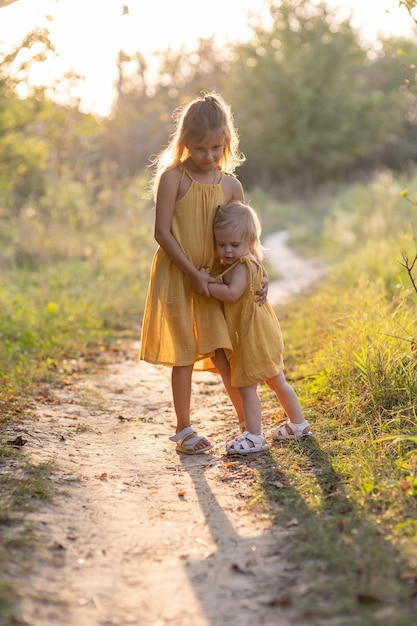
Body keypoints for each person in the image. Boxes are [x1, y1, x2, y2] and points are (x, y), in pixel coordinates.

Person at [140, 93, 266, 455]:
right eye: (199, 148)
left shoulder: (230, 186)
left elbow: (246, 239)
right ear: (184, 144)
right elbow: (162, 232)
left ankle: (247, 425)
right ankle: (184, 429)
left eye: (215, 147)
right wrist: (192, 273)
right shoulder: (173, 179)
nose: (208, 155)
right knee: (182, 354)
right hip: (179, 275)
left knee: (223, 351)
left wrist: (259, 272)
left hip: (214, 279)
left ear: (227, 142)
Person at [201, 201, 311, 455]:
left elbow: (231, 293)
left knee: (247, 387)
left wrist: (206, 286)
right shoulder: (251, 261)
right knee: (277, 381)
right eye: (222, 244)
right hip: (263, 333)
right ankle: (299, 425)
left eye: (234, 245)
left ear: (250, 242)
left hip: (252, 337)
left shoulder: (242, 266)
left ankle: (254, 437)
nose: (227, 250)